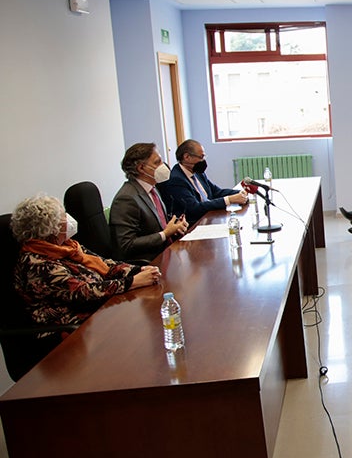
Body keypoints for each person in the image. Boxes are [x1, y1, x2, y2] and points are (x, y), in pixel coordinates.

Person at [13, 194, 162, 332]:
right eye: (62, 216)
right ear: (50, 228)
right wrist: (132, 282)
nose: (68, 218)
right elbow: (84, 292)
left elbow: (105, 264)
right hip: (70, 330)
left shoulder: (67, 246)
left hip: (100, 311)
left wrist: (138, 270)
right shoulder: (36, 264)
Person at [109, 142, 189, 262]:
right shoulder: (126, 198)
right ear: (141, 168)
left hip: (168, 253)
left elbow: (157, 222)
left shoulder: (152, 188)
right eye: (157, 162)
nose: (164, 166)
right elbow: (126, 244)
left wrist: (176, 226)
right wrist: (165, 234)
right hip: (150, 261)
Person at [158, 139, 247, 224]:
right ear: (187, 157)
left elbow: (216, 192)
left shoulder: (197, 172)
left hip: (209, 215)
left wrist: (241, 192)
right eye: (201, 157)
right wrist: (229, 200)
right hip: (194, 223)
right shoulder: (177, 179)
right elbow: (194, 208)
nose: (203, 160)